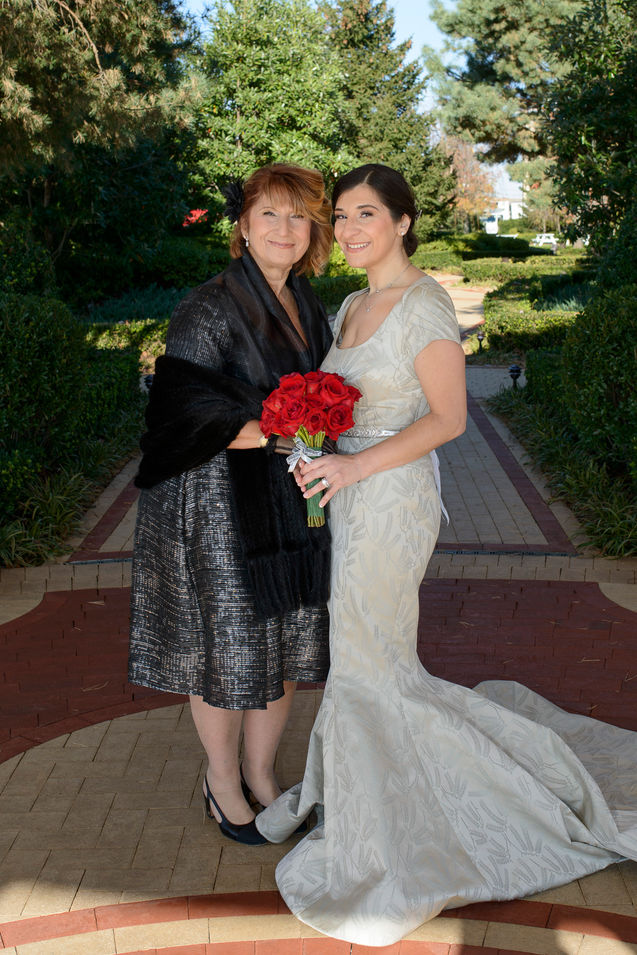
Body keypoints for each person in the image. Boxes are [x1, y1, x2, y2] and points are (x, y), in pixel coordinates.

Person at [255, 164, 637, 945]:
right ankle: (366, 802)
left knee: (367, 661)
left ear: (402, 221)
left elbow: (450, 418)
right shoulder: (356, 303)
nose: (352, 228)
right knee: (367, 659)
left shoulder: (422, 303)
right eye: (344, 216)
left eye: (368, 214)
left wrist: (356, 465)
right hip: (348, 495)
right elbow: (340, 403)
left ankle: (399, 830)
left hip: (392, 503)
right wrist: (312, 449)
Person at [129, 163, 334, 846]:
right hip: (212, 497)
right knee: (227, 645)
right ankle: (221, 781)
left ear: (313, 231)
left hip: (287, 495)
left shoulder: (308, 305)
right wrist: (279, 432)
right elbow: (178, 411)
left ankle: (262, 772)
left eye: (297, 216)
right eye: (268, 215)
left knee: (282, 641)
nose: (283, 229)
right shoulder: (207, 306)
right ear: (242, 226)